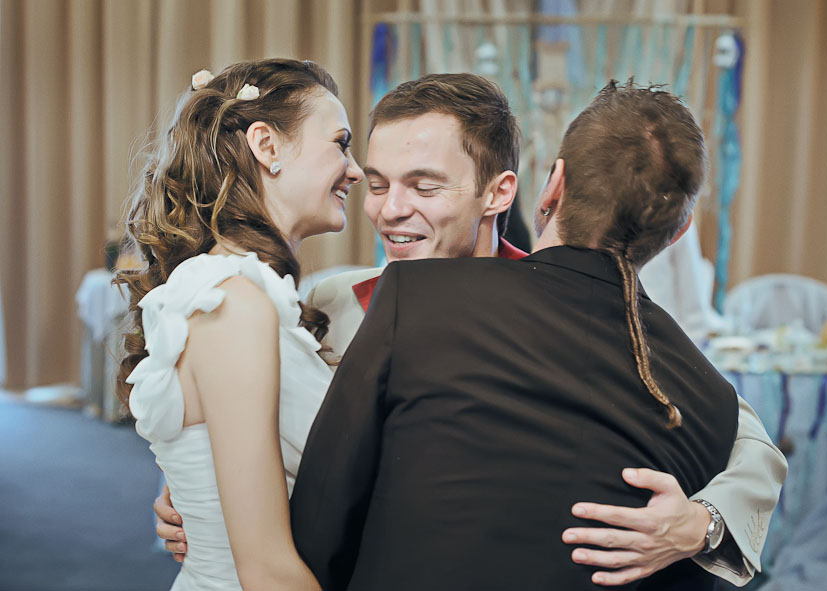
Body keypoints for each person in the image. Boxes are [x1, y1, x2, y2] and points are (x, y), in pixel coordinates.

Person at [154, 73, 786, 587]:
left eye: (424, 187)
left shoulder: (574, 314)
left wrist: (701, 522)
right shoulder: (325, 302)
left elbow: (747, 443)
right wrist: (200, 495)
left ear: (499, 193)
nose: (390, 210)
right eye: (378, 184)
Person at [116, 58, 363, 590]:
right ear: (267, 146)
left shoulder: (241, 292)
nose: (356, 170)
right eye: (340, 144)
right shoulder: (231, 301)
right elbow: (266, 570)